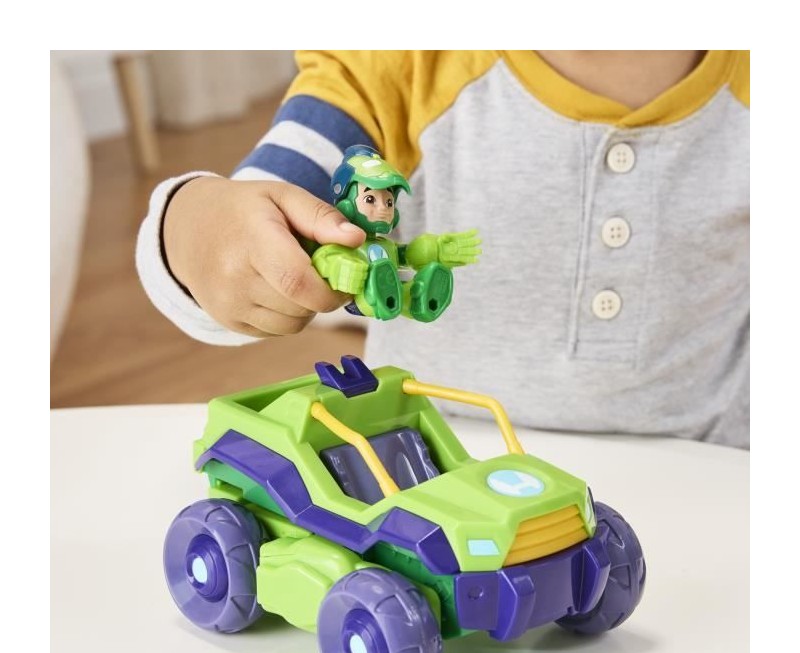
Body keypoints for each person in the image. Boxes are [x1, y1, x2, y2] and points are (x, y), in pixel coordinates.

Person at [137, 50, 750, 448]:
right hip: (427, 464)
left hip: (714, 468)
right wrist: (195, 223)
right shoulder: (394, 65)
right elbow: (255, 215)